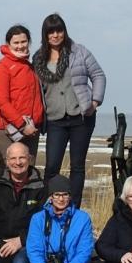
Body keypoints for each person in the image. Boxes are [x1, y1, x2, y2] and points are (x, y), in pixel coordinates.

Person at [33, 13, 107, 208]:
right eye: (51, 32)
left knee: (77, 166)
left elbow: (98, 74)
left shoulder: (79, 52)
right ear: (45, 34)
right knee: (51, 166)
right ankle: (48, 206)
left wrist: (95, 102)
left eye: (59, 30)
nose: (56, 35)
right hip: (55, 119)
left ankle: (73, 208)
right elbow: (34, 89)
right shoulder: (39, 58)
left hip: (81, 117)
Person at [0, 24, 44, 172]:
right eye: (16, 42)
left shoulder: (30, 66)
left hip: (31, 129)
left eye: (23, 41)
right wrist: (22, 125)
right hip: (8, 130)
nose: (20, 46)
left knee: (29, 173)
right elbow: (2, 102)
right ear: (8, 44)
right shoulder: (2, 67)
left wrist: (37, 123)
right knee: (8, 173)